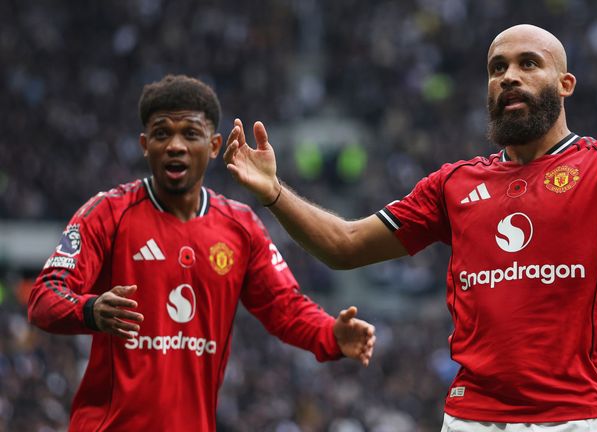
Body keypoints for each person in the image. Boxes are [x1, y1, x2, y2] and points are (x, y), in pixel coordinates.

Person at [224, 24, 597, 430]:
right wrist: (274, 193)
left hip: (579, 417)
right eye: (497, 68)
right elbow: (346, 246)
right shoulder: (454, 185)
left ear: (565, 84)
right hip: (472, 418)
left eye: (529, 64)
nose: (509, 76)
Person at [27, 74, 376, 431]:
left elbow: (285, 307)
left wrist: (330, 333)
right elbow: (43, 297)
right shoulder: (108, 213)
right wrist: (90, 310)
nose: (175, 145)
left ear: (213, 145)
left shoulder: (240, 227)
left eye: (190, 134)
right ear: (145, 144)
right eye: (162, 134)